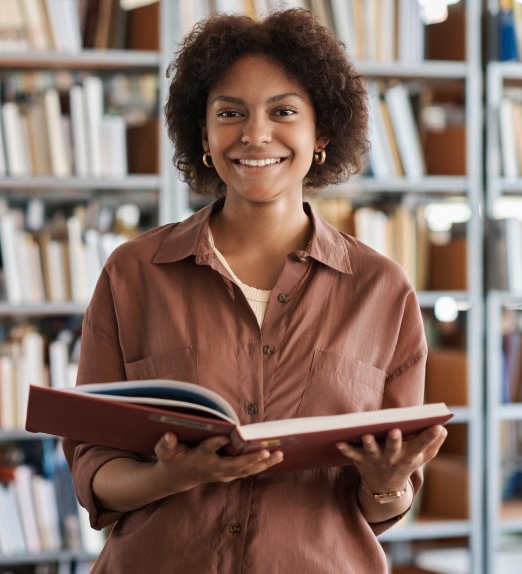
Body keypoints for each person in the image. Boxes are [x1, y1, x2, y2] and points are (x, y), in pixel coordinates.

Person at [62, 9, 447, 573]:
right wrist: (166, 477)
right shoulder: (133, 273)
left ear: (322, 134)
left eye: (283, 111)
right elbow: (92, 466)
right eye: (230, 113)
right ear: (203, 133)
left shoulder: (382, 290)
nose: (255, 134)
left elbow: (385, 503)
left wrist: (388, 484)